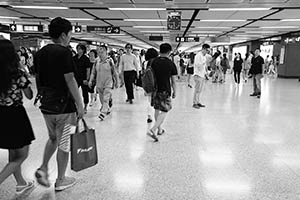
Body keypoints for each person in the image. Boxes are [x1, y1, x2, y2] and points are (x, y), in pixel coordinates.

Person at [33, 17, 84, 191]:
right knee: (64, 143)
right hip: (64, 107)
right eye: (70, 34)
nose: (70, 37)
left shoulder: (40, 53)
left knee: (53, 138)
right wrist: (80, 104)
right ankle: (61, 179)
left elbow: (39, 78)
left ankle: (44, 167)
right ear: (63, 35)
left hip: (47, 105)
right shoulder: (64, 53)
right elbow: (70, 80)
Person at [0, 39, 35, 196]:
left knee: (12, 153)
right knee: (22, 154)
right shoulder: (17, 73)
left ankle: (21, 183)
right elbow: (29, 95)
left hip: (1, 115)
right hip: (15, 115)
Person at [147, 43, 177, 142]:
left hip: (154, 90)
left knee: (157, 109)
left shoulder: (153, 62)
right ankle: (154, 128)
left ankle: (159, 130)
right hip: (165, 90)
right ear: (169, 52)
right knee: (165, 110)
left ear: (160, 51)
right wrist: (175, 91)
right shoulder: (170, 63)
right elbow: (173, 80)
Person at [89, 45, 118, 121]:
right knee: (102, 99)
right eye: (99, 52)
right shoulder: (96, 61)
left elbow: (114, 72)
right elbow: (93, 72)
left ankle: (103, 113)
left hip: (108, 83)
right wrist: (90, 80)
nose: (100, 53)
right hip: (99, 84)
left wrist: (117, 81)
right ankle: (107, 108)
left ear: (106, 52)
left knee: (106, 98)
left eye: (102, 52)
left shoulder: (109, 61)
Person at [73, 43, 91, 112]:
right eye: (77, 49)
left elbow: (88, 69)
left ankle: (85, 107)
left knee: (85, 93)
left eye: (80, 49)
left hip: (83, 79)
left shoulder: (86, 59)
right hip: (75, 78)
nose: (78, 50)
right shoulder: (74, 58)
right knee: (74, 92)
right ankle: (75, 106)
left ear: (83, 50)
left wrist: (87, 79)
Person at [143, 48, 159, 123]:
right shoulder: (155, 62)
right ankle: (156, 116)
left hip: (147, 83)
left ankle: (149, 116)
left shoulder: (145, 63)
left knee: (149, 100)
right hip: (155, 83)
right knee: (155, 101)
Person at [193, 43, 210, 109]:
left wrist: (206, 73)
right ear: (203, 49)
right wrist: (204, 62)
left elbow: (204, 66)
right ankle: (194, 103)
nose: (207, 52)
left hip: (202, 75)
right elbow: (198, 66)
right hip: (198, 75)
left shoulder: (204, 56)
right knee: (197, 90)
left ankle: (198, 102)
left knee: (199, 90)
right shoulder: (198, 56)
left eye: (208, 51)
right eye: (206, 50)